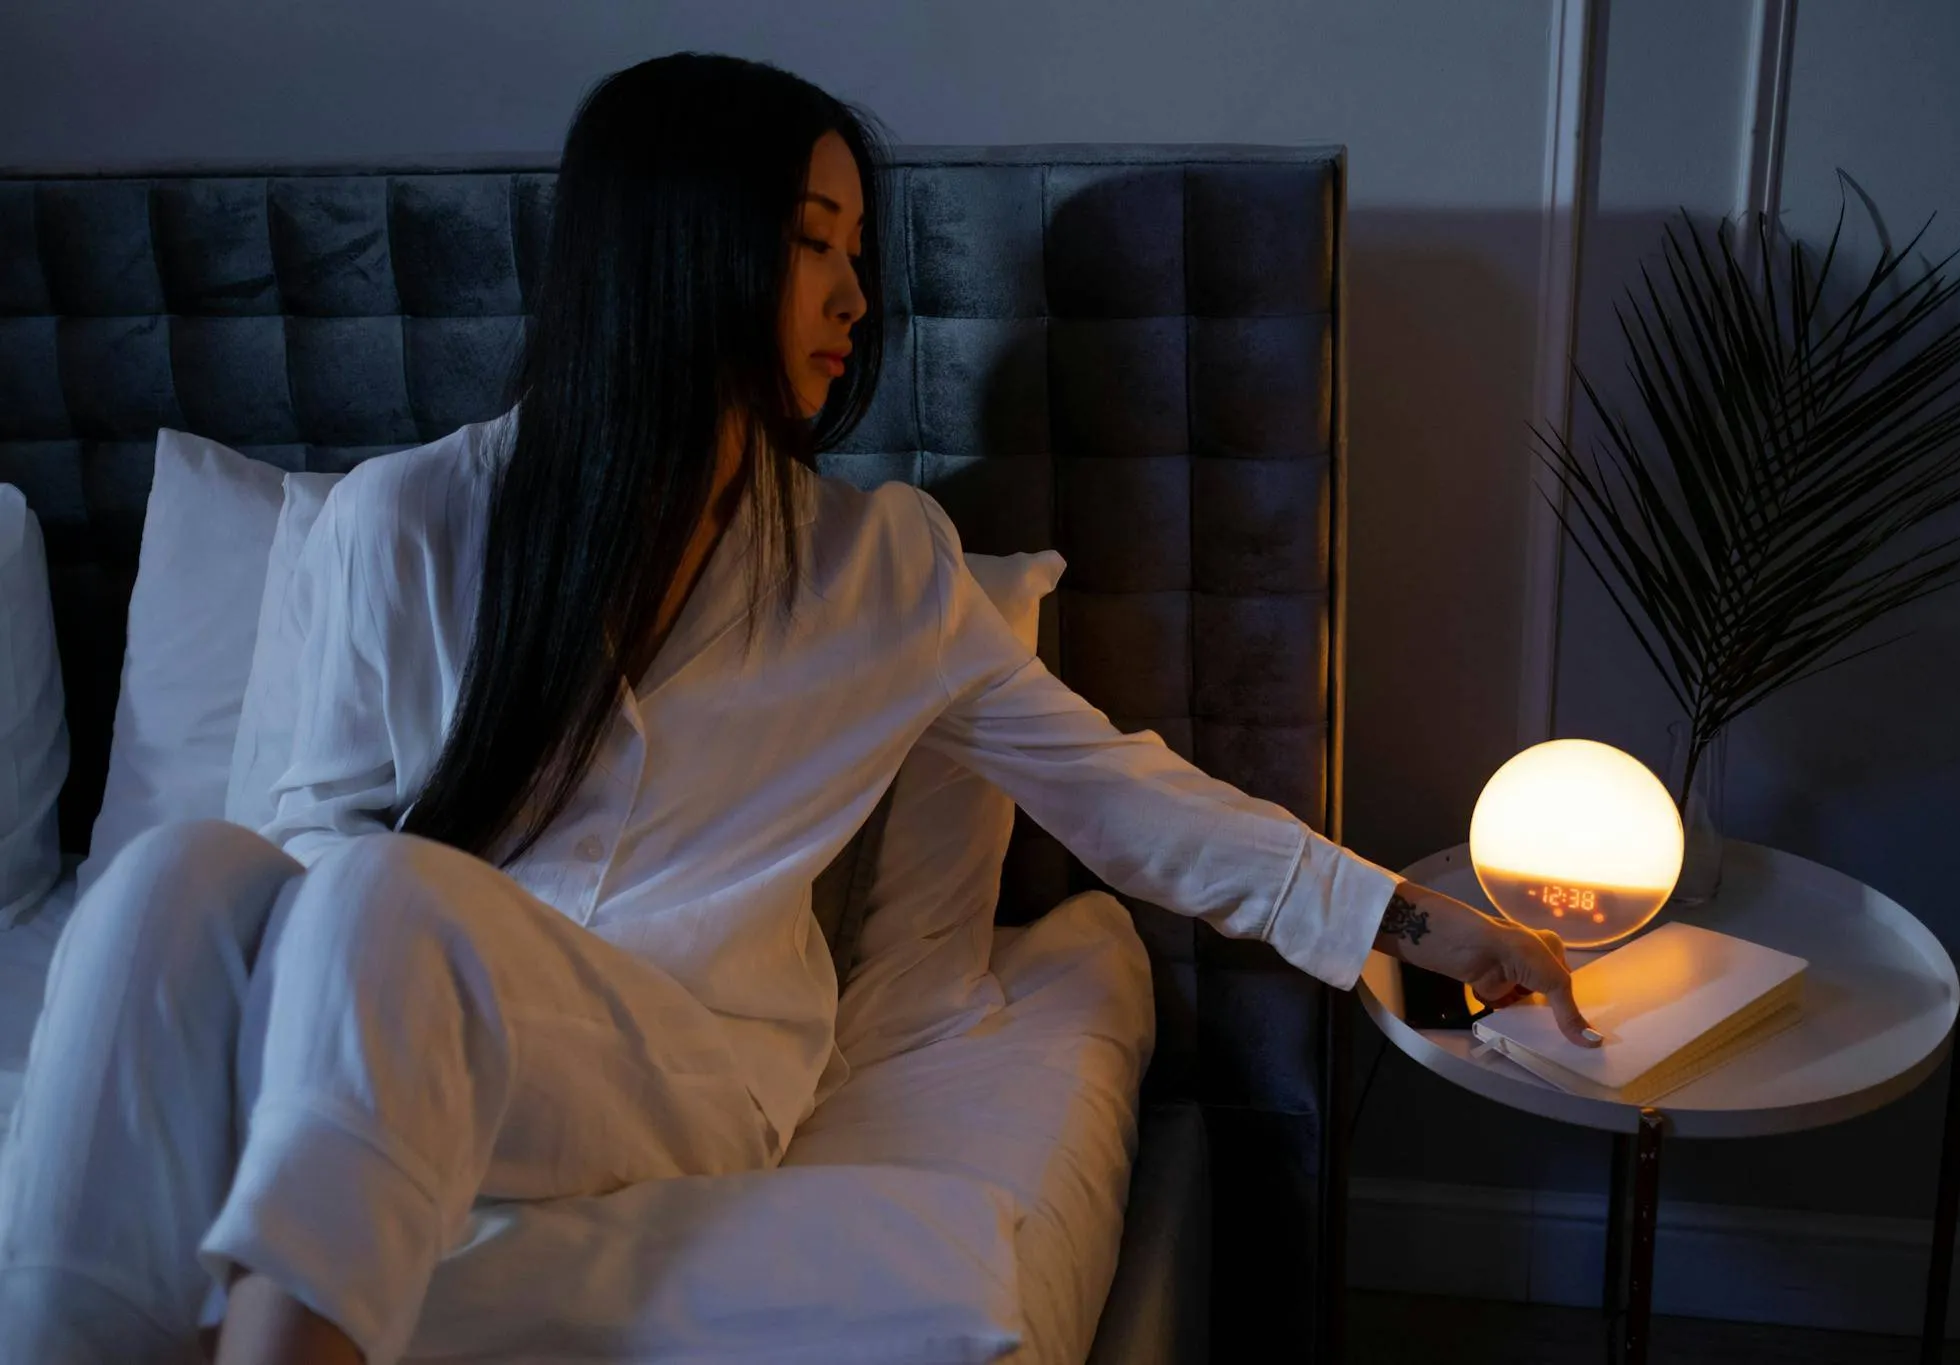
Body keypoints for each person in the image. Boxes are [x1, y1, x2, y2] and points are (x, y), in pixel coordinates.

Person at [0, 52, 1597, 1365]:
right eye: (811, 241)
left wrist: (1406, 917)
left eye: (856, 252)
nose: (851, 297)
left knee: (379, 900)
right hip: (425, 1003)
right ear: (681, 245)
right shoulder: (404, 522)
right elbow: (310, 841)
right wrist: (309, 1019)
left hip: (688, 1064)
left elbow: (1122, 795)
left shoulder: (874, 570)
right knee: (162, 885)